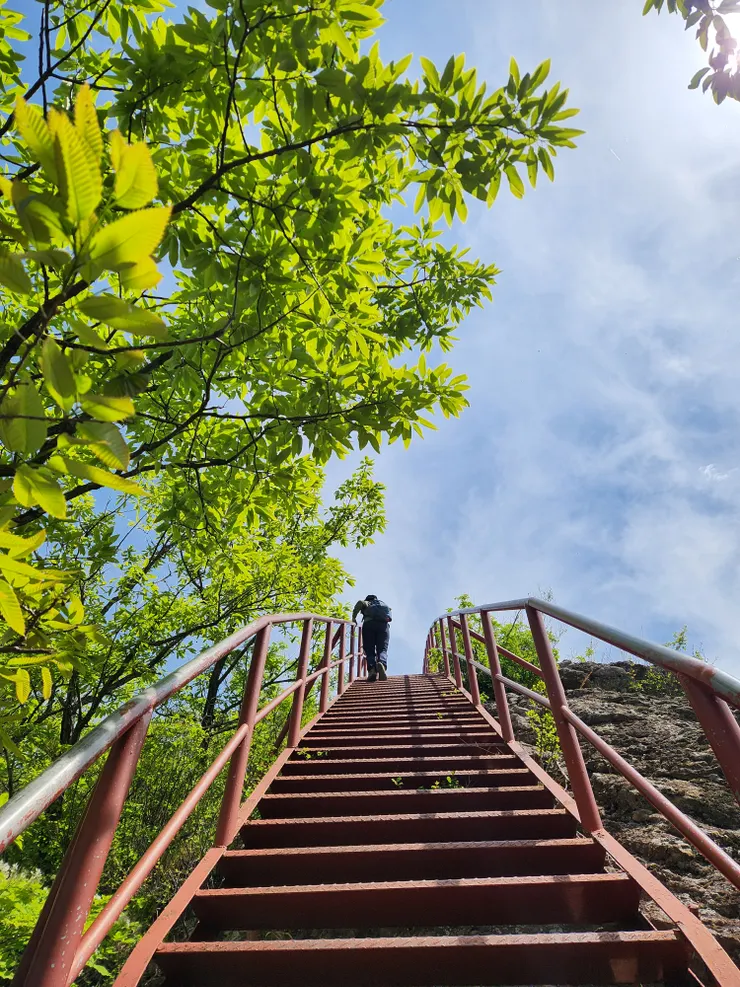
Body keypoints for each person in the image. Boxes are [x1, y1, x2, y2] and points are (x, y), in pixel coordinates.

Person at [352, 594, 392, 682]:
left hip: (369, 625)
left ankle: (372, 670)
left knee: (369, 649)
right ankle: (382, 664)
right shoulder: (383, 604)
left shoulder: (368, 603)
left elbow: (360, 603)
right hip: (384, 627)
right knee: (382, 649)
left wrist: (354, 618)